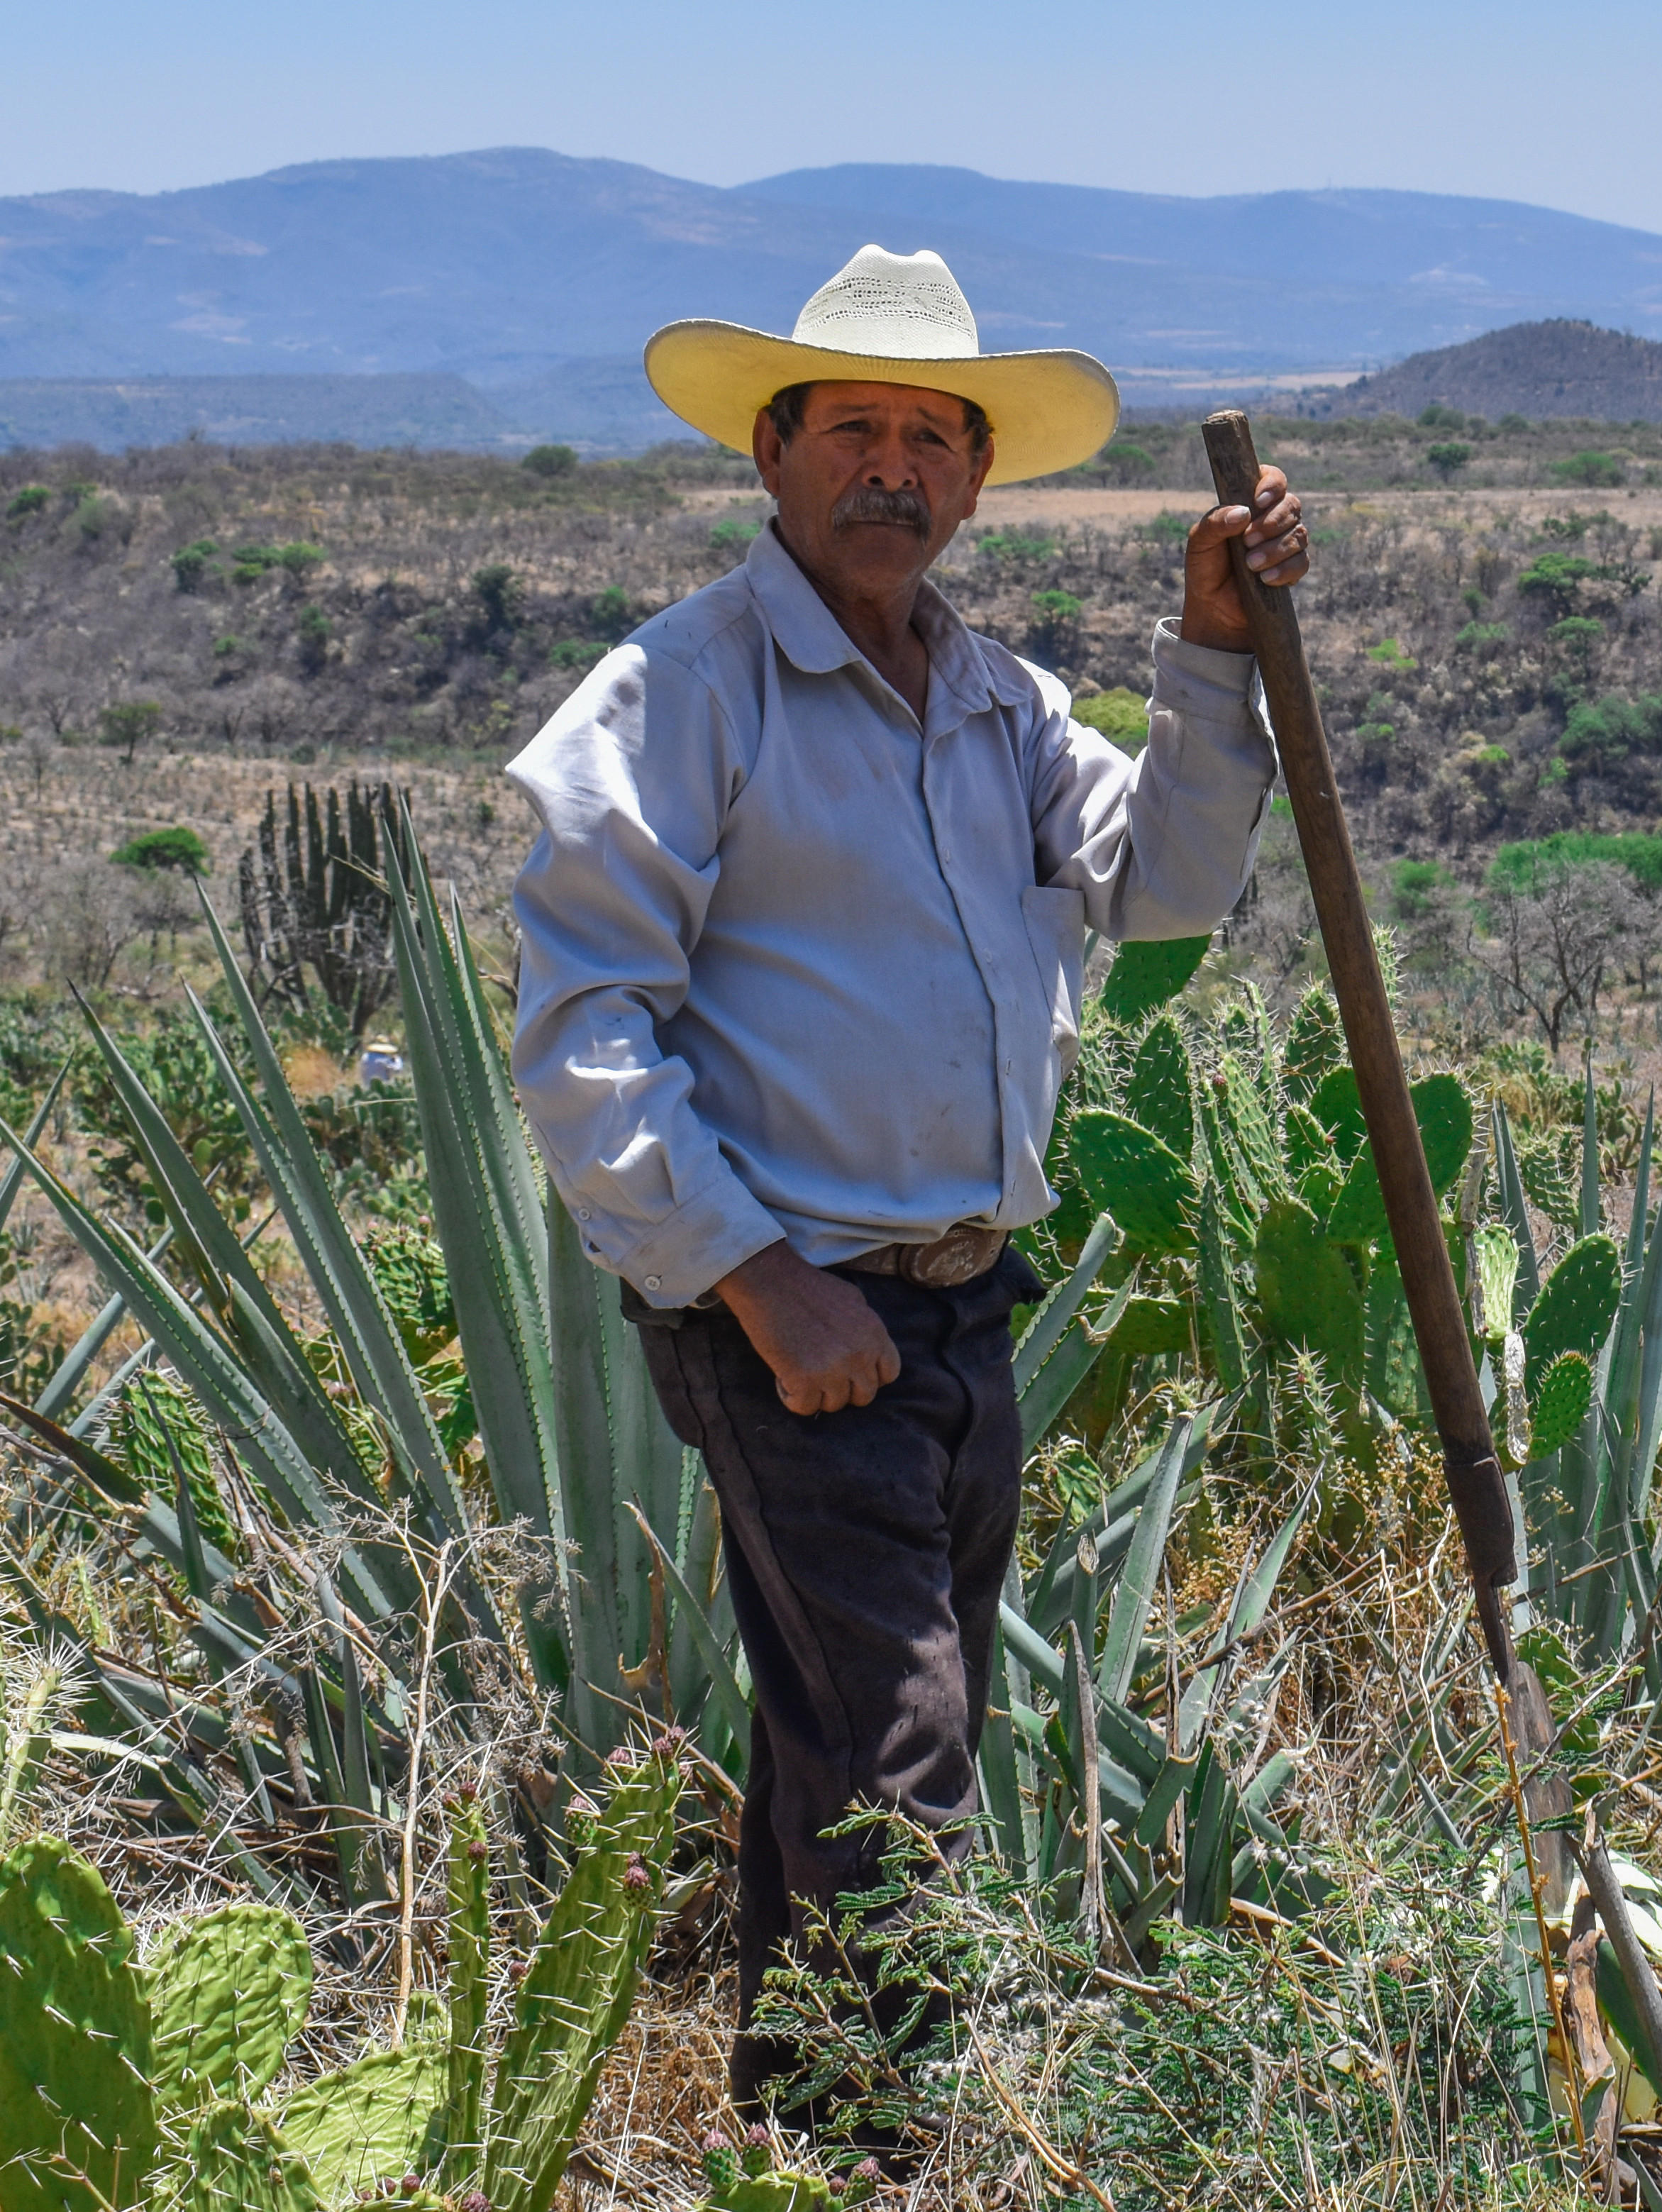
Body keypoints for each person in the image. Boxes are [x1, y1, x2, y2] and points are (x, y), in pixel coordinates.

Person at [506, 243, 1309, 2115]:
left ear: (976, 478)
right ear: (770, 460)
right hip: (794, 1314)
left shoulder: (998, 704)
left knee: (837, 1754)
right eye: (852, 428)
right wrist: (755, 1281)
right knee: (904, 1753)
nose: (895, 468)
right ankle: (894, 2147)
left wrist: (1210, 644)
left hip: (965, 1311)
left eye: (932, 437)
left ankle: (791, 2141)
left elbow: (1165, 889)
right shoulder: (681, 696)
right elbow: (583, 1035)